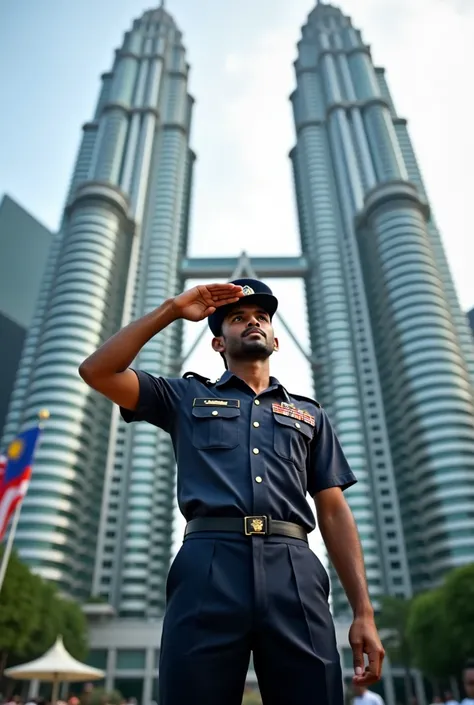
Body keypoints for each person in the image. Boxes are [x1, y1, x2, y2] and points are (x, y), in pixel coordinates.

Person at [79, 278, 385, 705]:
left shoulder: (309, 414)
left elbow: (333, 512)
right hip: (207, 565)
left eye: (262, 317)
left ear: (276, 341)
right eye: (238, 318)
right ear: (218, 344)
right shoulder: (185, 396)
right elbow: (97, 370)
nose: (252, 323)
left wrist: (363, 613)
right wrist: (171, 309)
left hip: (294, 569)